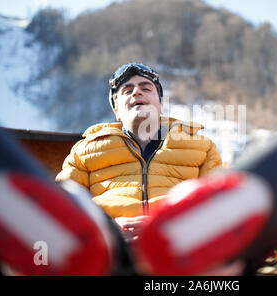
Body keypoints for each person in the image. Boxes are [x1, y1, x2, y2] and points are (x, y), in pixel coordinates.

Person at [55, 63, 222, 242]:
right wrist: (108, 229)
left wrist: (166, 227)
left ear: (160, 105)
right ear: (117, 111)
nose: (136, 92)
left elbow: (220, 208)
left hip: (179, 252)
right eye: (127, 91)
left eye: (146, 88)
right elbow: (62, 208)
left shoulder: (202, 148)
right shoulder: (84, 152)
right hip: (112, 255)